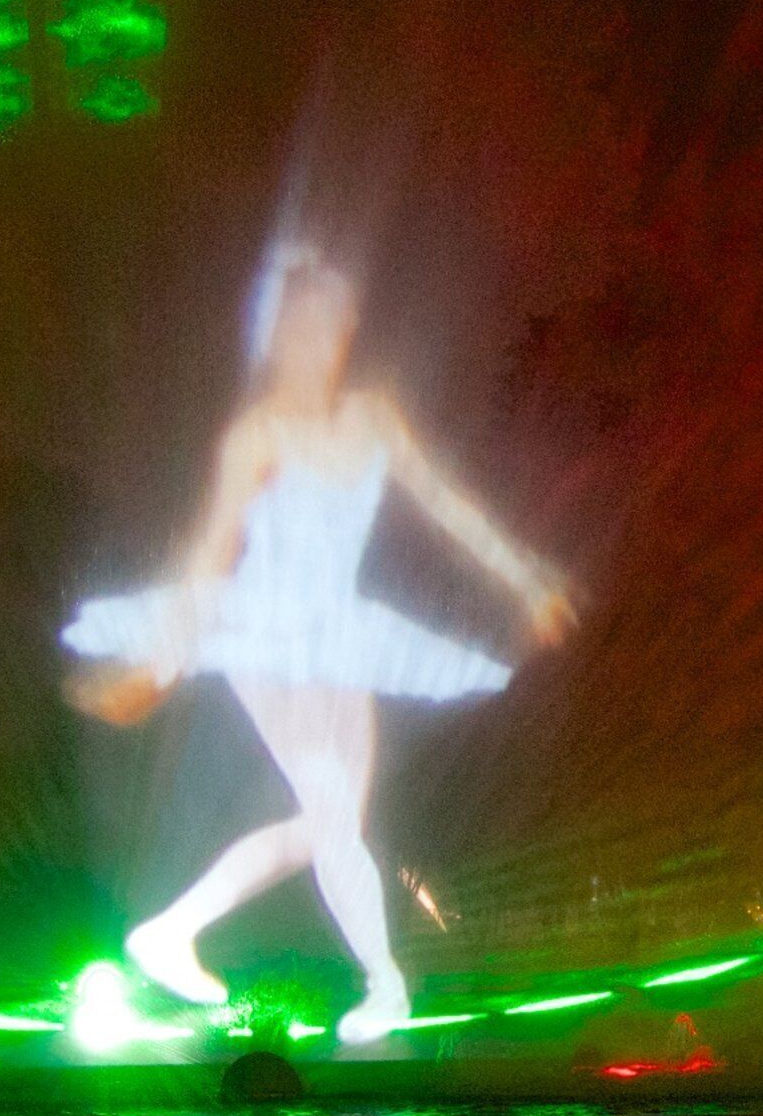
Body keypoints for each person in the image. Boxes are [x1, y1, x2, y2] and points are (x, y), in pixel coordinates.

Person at [63, 244, 574, 1044]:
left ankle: (171, 932)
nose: (316, 341)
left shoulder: (371, 415)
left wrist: (527, 579)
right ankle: (386, 988)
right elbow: (207, 555)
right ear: (275, 337)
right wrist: (159, 664)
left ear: (345, 333)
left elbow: (445, 501)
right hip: (268, 635)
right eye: (300, 327)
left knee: (330, 826)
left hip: (338, 633)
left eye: (330, 325)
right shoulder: (256, 434)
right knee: (334, 821)